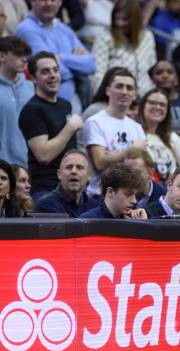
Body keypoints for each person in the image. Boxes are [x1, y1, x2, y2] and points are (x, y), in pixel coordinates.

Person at [19, 52, 83, 202]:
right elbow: (44, 156)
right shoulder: (32, 109)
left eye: (55, 70)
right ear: (33, 78)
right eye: (45, 71)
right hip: (46, 190)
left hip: (70, 188)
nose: (53, 75)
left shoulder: (65, 105)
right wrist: (70, 127)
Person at [16, 0, 95, 111]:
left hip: (73, 100)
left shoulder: (63, 29)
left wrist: (62, 57)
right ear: (32, 1)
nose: (49, 4)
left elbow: (91, 65)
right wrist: (77, 64)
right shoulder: (26, 29)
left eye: (53, 0)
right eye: (43, 0)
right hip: (45, 106)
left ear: (60, 2)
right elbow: (50, 71)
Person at [83, 68, 146, 197]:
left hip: (131, 197)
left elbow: (140, 167)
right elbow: (100, 163)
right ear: (107, 91)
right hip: (100, 196)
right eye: (119, 86)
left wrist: (112, 156)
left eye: (129, 88)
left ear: (134, 95)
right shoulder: (95, 122)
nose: (124, 92)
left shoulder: (137, 127)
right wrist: (130, 151)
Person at [92, 0, 156, 97]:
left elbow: (152, 69)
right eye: (116, 19)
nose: (119, 23)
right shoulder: (105, 37)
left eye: (125, 19)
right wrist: (104, 97)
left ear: (135, 19)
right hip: (114, 99)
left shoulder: (147, 36)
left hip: (144, 98)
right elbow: (97, 75)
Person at [138, 88, 180, 185]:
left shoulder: (172, 137)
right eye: (152, 103)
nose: (157, 107)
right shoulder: (133, 132)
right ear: (143, 105)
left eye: (162, 105)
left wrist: (178, 180)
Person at [0, 36, 33, 167]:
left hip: (28, 167)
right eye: (18, 54)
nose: (24, 59)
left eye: (25, 55)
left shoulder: (32, 88)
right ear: (2, 56)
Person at [34, 149, 98, 217]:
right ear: (59, 174)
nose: (74, 171)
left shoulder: (94, 206)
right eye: (69, 167)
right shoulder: (47, 204)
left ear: (89, 175)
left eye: (79, 167)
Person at [80, 163, 147, 219]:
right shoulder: (88, 221)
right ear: (110, 192)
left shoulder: (133, 219)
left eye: (135, 195)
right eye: (128, 194)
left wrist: (140, 225)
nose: (134, 201)